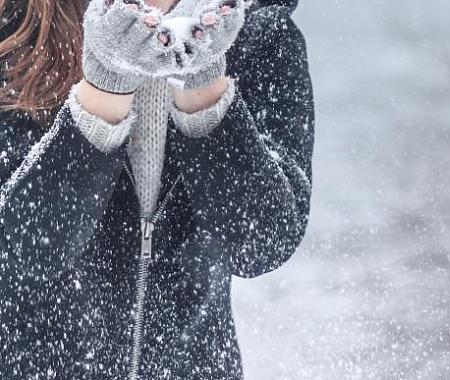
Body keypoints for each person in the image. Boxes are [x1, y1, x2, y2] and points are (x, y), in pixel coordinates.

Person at [0, 0, 314, 378]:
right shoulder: (16, 29)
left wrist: (203, 88)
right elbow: (23, 250)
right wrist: (105, 86)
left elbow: (262, 244)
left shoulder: (259, 33)